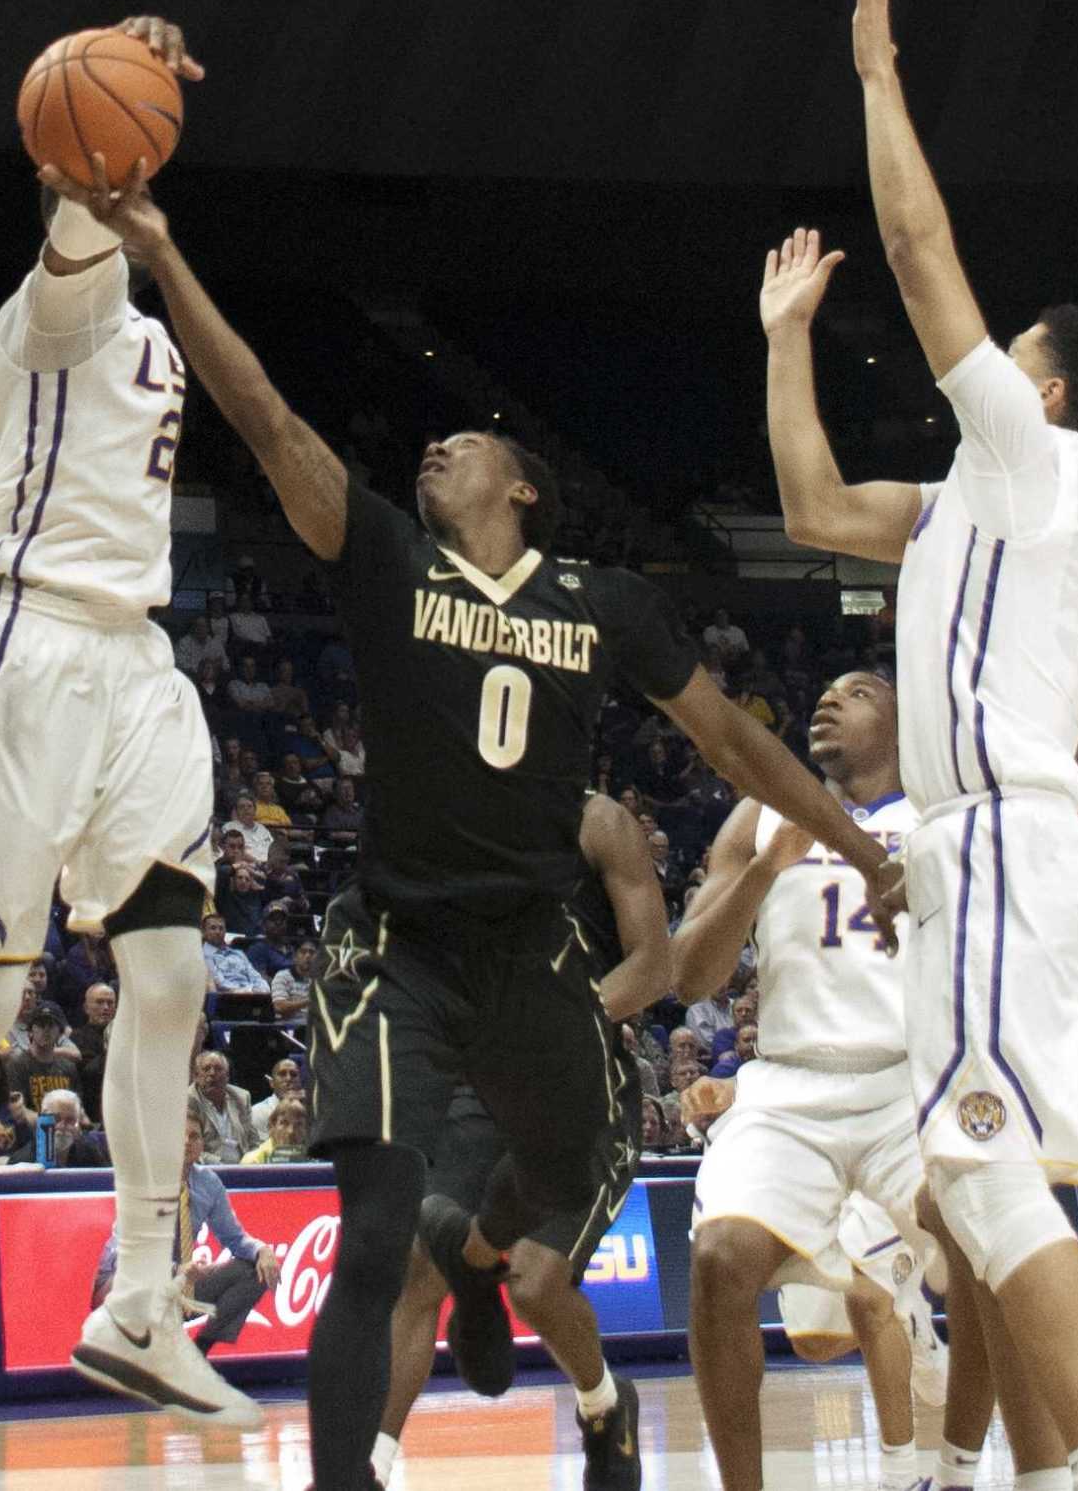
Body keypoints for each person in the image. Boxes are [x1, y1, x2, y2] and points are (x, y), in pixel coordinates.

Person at [49, 122, 901, 1491]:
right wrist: (161, 250)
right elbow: (265, 414)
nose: (433, 443)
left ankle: (511, 1290)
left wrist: (863, 841)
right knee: (382, 1229)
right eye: (431, 442)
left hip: (538, 967)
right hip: (396, 947)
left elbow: (737, 739)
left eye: (464, 441)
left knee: (536, 1205)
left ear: (523, 488)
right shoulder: (389, 553)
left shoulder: (601, 602)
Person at [759, 0, 1078, 1491]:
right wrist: (787, 331)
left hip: (998, 841)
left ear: (1040, 392)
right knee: (998, 1192)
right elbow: (808, 504)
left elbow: (922, 251)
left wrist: (877, 75)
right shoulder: (973, 505)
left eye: (1017, 362)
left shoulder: (1035, 462)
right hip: (1012, 854)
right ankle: (1049, 1474)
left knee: (983, 1178)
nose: (993, 371)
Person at [0, 20, 257, 1469]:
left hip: (138, 659)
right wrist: (113, 72)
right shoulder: (50, 309)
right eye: (108, 152)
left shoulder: (141, 342)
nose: (126, 166)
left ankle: (144, 1295)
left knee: (171, 973)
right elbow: (82, 189)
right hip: (35, 658)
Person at [671, 673, 987, 1491]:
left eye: (860, 691)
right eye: (822, 691)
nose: (828, 699)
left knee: (988, 1238)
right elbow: (693, 976)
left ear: (904, 722)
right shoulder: (760, 814)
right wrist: (765, 870)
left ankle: (956, 1467)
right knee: (718, 1258)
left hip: (907, 1081)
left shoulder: (940, 819)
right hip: (789, 1086)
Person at [373, 790, 673, 1491]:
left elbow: (655, 967)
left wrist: (562, 1018)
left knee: (535, 1283)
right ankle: (368, 1464)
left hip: (585, 1087)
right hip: (483, 1088)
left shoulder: (599, 822)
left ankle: (604, 1404)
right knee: (423, 1260)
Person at [89, 1106, 283, 1352]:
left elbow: (234, 1238)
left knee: (252, 1270)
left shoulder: (208, 1183)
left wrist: (261, 1250)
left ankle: (199, 1351)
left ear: (202, 1144)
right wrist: (175, 1269)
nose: (186, 1141)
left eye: (194, 1136)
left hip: (180, 1286)